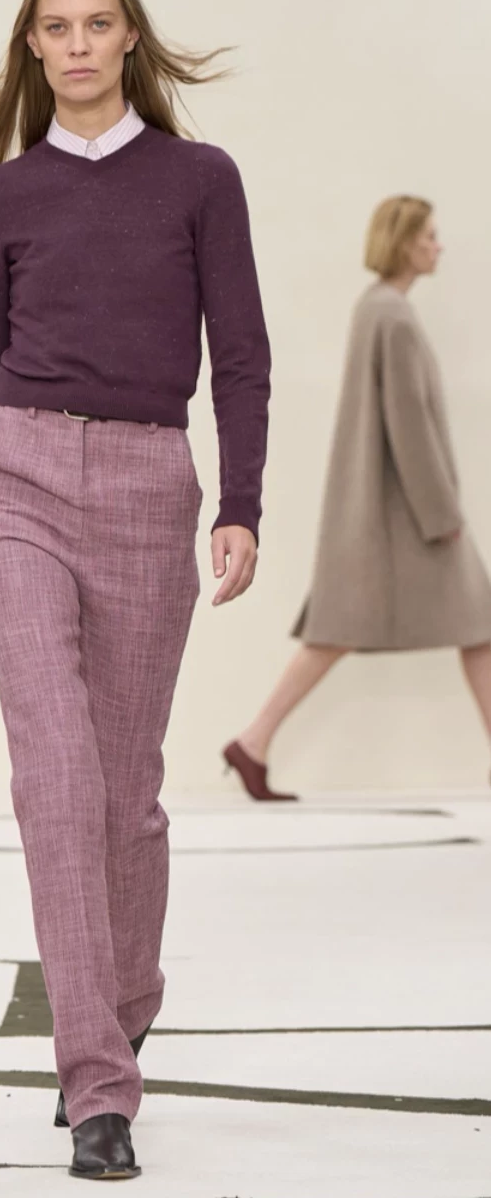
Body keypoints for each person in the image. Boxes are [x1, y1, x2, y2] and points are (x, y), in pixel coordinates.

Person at [0, 0, 271, 1182]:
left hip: (146, 483)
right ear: (31, 47)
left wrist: (240, 500)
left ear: (129, 33)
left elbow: (240, 351)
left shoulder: (200, 179)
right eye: (54, 26)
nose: (75, 44)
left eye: (95, 22)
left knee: (125, 793)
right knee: (59, 780)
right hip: (13, 477)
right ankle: (96, 1084)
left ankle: (120, 1010)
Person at [224, 196, 491, 802]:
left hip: (386, 515)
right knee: (440, 623)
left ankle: (253, 743)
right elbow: (409, 425)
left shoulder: (378, 309)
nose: (438, 245)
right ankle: (253, 741)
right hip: (408, 517)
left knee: (361, 627)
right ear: (404, 243)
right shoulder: (392, 316)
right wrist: (442, 514)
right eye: (429, 235)